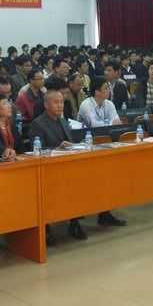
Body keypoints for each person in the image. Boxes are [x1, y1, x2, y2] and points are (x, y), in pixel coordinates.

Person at [29, 90, 87, 243]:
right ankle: (46, 228)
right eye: (56, 102)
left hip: (66, 166)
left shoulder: (63, 121)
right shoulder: (38, 124)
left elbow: (70, 143)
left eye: (61, 102)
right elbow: (36, 150)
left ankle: (74, 222)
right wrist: (57, 148)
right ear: (46, 105)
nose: (60, 105)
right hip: (47, 170)